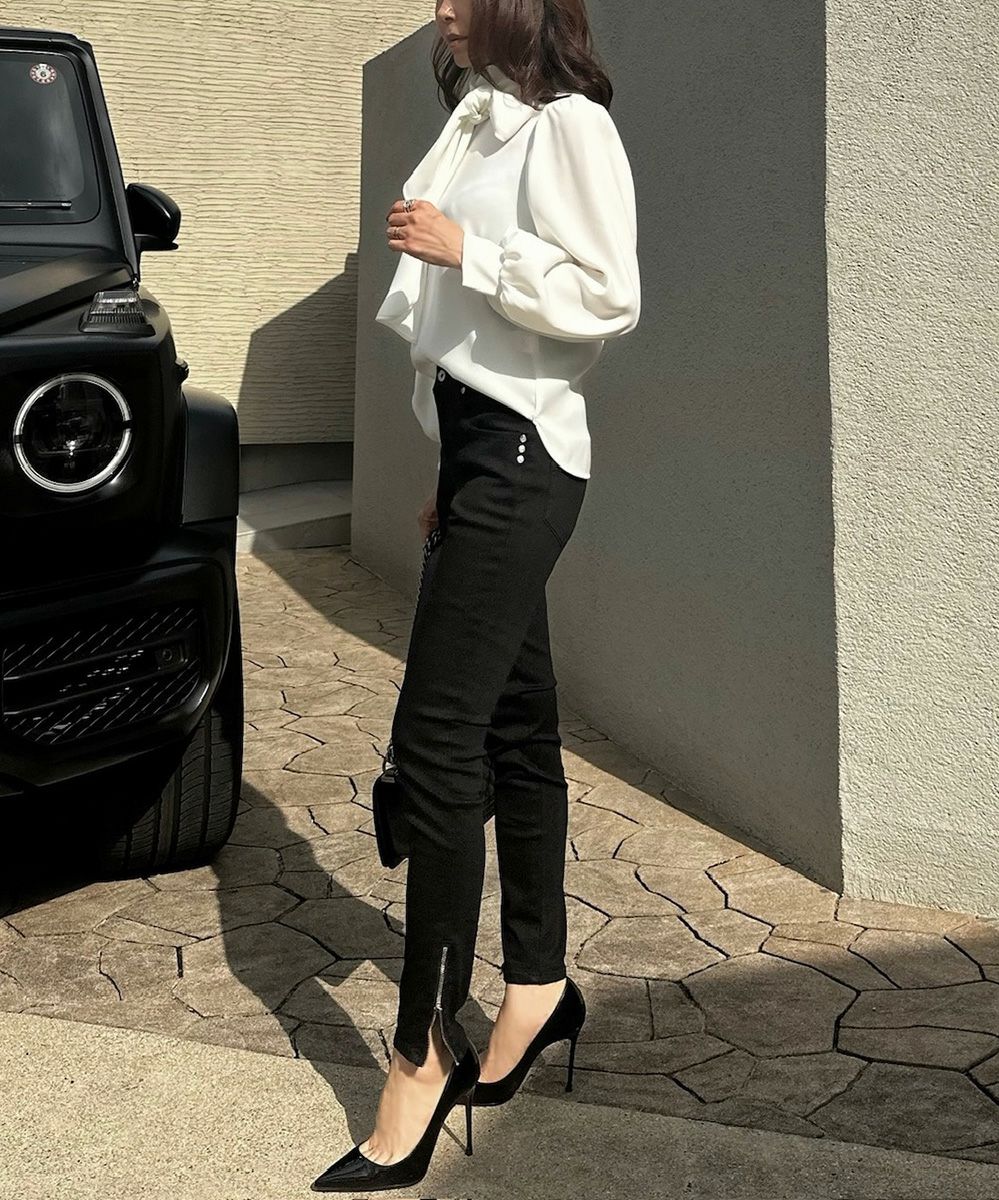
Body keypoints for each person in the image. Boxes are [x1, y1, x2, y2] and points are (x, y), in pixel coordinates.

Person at [312, 0, 640, 1191]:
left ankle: (422, 1048)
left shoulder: (568, 127)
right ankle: (539, 985)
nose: (442, 8)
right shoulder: (480, 123)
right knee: (511, 728)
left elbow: (608, 295)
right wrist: (446, 477)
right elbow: (461, 344)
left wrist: (471, 251)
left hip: (523, 456)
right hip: (479, 458)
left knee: (436, 745)